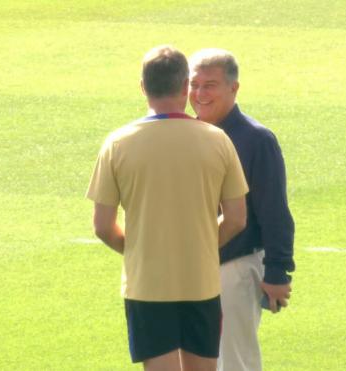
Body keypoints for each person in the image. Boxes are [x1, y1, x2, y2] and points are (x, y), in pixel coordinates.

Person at [87, 45, 249, 371]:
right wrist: (202, 247)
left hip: (147, 284)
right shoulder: (218, 141)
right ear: (184, 87)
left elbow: (103, 225)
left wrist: (137, 251)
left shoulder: (118, 143)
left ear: (143, 87)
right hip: (200, 281)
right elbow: (235, 219)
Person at [188, 48, 296, 371]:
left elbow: (274, 211)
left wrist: (278, 272)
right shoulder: (185, 135)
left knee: (235, 363)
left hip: (234, 268)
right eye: (194, 84)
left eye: (210, 85)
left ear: (233, 88)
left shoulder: (256, 140)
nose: (199, 94)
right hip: (188, 271)